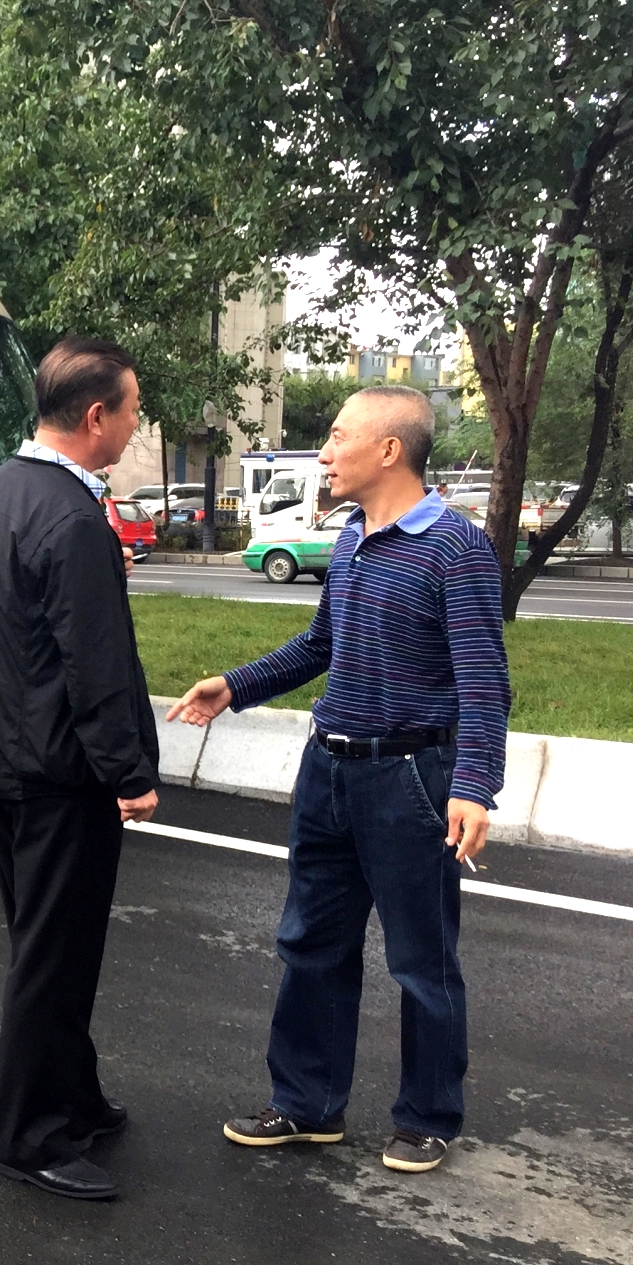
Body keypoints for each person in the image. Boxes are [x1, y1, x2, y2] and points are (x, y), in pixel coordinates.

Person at [168, 384, 508, 1175]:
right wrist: (235, 685)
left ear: (389, 449)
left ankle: (427, 1117)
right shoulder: (354, 536)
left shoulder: (456, 547)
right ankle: (306, 1105)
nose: (324, 453)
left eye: (337, 437)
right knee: (311, 942)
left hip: (409, 777)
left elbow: (484, 682)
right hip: (328, 770)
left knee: (421, 959)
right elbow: (322, 643)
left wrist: (473, 784)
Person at [0, 337, 159, 1203]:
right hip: (58, 772)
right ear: (96, 415)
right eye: (134, 410)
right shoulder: (70, 516)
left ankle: (74, 1096)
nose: (137, 425)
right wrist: (128, 772)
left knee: (50, 943)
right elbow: (94, 662)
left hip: (6, 758)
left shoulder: (1, 490)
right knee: (53, 955)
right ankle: (31, 1135)